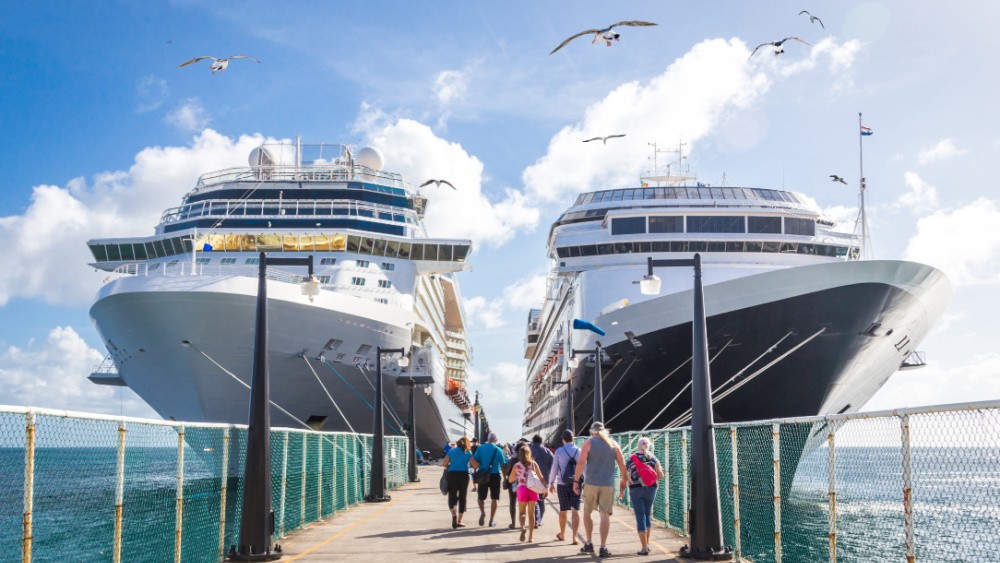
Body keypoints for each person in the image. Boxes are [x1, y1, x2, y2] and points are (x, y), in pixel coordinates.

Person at [573, 421, 628, 558]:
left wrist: (575, 481)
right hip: (607, 484)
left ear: (592, 432)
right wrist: (623, 480)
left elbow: (581, 463)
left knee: (587, 512)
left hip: (591, 483)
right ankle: (603, 547)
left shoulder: (588, 443)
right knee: (604, 515)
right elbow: (622, 464)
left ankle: (589, 543)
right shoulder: (614, 444)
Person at [624, 436, 664, 556]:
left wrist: (631, 482)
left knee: (640, 515)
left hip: (636, 490)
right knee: (647, 514)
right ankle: (647, 544)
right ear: (649, 446)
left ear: (638, 445)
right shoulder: (653, 458)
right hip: (651, 489)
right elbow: (660, 475)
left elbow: (627, 476)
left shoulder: (631, 458)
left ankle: (644, 548)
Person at [507, 442, 547, 543]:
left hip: (522, 489)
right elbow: (541, 477)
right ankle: (531, 537)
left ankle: (523, 527)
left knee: (522, 513)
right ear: (529, 453)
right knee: (531, 513)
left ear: (519, 455)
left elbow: (510, 480)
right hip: (533, 489)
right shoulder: (533, 464)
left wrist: (516, 476)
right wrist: (545, 488)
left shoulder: (517, 465)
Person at [548, 429, 581, 544]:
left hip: (562, 483)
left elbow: (554, 468)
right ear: (573, 438)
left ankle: (562, 534)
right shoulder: (579, 450)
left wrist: (551, 483)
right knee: (575, 509)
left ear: (563, 439)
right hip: (576, 483)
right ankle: (575, 537)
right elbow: (584, 467)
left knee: (563, 509)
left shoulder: (559, 451)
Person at [470, 432, 507, 527]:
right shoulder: (498, 450)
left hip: (483, 474)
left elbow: (475, 461)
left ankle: (483, 512)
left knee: (480, 497)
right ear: (496, 440)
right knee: (495, 498)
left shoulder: (480, 448)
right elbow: (503, 465)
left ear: (487, 438)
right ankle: (491, 521)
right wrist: (505, 478)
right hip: (495, 475)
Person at [441, 436, 472, 529]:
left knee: (452, 495)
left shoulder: (451, 451)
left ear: (457, 443)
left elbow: (444, 464)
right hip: (463, 475)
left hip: (452, 475)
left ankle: (453, 513)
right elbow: (474, 464)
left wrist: (450, 466)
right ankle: (459, 521)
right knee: (463, 496)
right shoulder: (468, 452)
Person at [502, 438, 528, 529]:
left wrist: (506, 480)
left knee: (512, 503)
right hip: (526, 485)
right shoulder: (529, 460)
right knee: (525, 504)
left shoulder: (513, 460)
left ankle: (513, 523)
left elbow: (507, 471)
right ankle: (525, 524)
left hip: (513, 484)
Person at [529, 434, 554, 527]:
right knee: (541, 500)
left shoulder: (529, 449)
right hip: (544, 479)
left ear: (533, 441)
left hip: (531, 479)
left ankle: (535, 519)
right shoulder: (547, 451)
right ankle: (539, 520)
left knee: (533, 500)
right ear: (541, 441)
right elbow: (553, 462)